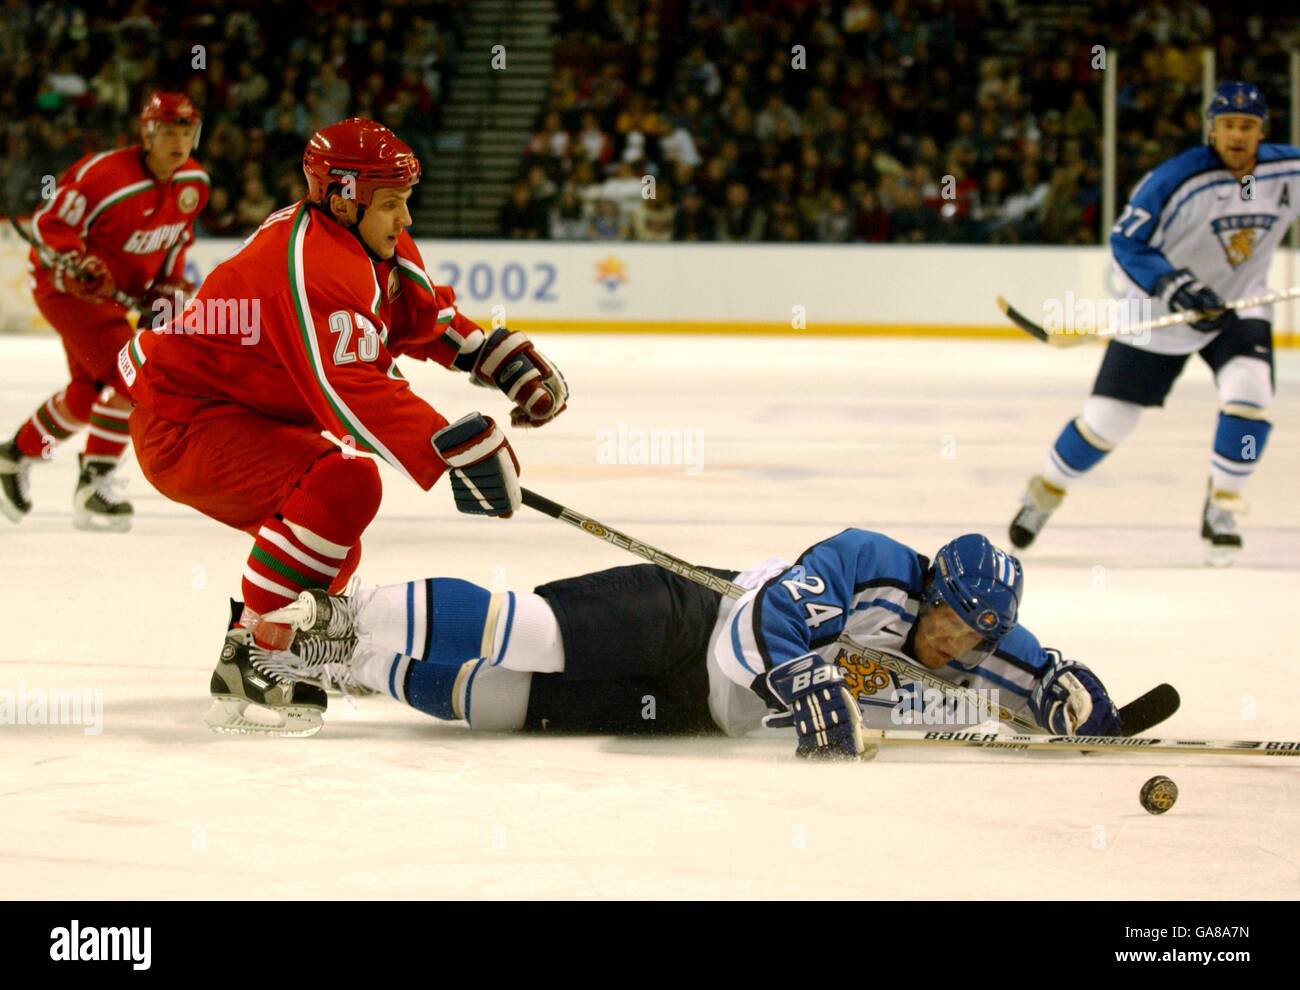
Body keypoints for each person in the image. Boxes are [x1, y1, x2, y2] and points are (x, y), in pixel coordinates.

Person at [118, 118, 568, 736]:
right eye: (391, 204)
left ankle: (295, 642)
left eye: (405, 201)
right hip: (183, 421)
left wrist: (496, 358)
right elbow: (346, 387)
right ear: (340, 195)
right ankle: (252, 650)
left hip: (238, 412)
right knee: (340, 486)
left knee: (337, 518)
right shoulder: (308, 260)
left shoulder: (367, 236)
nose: (404, 219)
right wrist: (450, 450)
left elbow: (420, 314)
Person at [265, 529, 1123, 758]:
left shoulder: (974, 641)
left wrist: (1064, 694)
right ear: (932, 590)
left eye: (975, 636)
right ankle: (339, 616)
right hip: (688, 615)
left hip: (689, 711)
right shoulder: (870, 563)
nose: (953, 646)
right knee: (529, 634)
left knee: (499, 705)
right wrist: (806, 684)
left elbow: (1032, 675)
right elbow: (775, 617)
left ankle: (360, 667)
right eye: (950, 623)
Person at [1010, 82, 1300, 565]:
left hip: (1240, 301)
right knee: (1107, 424)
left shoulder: (1287, 169)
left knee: (1251, 395)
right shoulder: (1175, 180)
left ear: (1261, 131)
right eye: (1227, 125)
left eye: (1247, 126)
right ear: (1212, 129)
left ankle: (1222, 507)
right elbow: (1126, 241)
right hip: (1162, 306)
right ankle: (1044, 491)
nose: (1236, 136)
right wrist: (1175, 285)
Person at [0, 92, 208, 532]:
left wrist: (166, 294)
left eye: (185, 131)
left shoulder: (194, 185)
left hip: (115, 297)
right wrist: (78, 260)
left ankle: (15, 454)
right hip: (68, 292)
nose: (177, 141)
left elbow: (176, 243)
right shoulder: (106, 174)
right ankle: (94, 482)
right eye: (167, 131)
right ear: (147, 133)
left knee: (84, 394)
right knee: (133, 377)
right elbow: (49, 222)